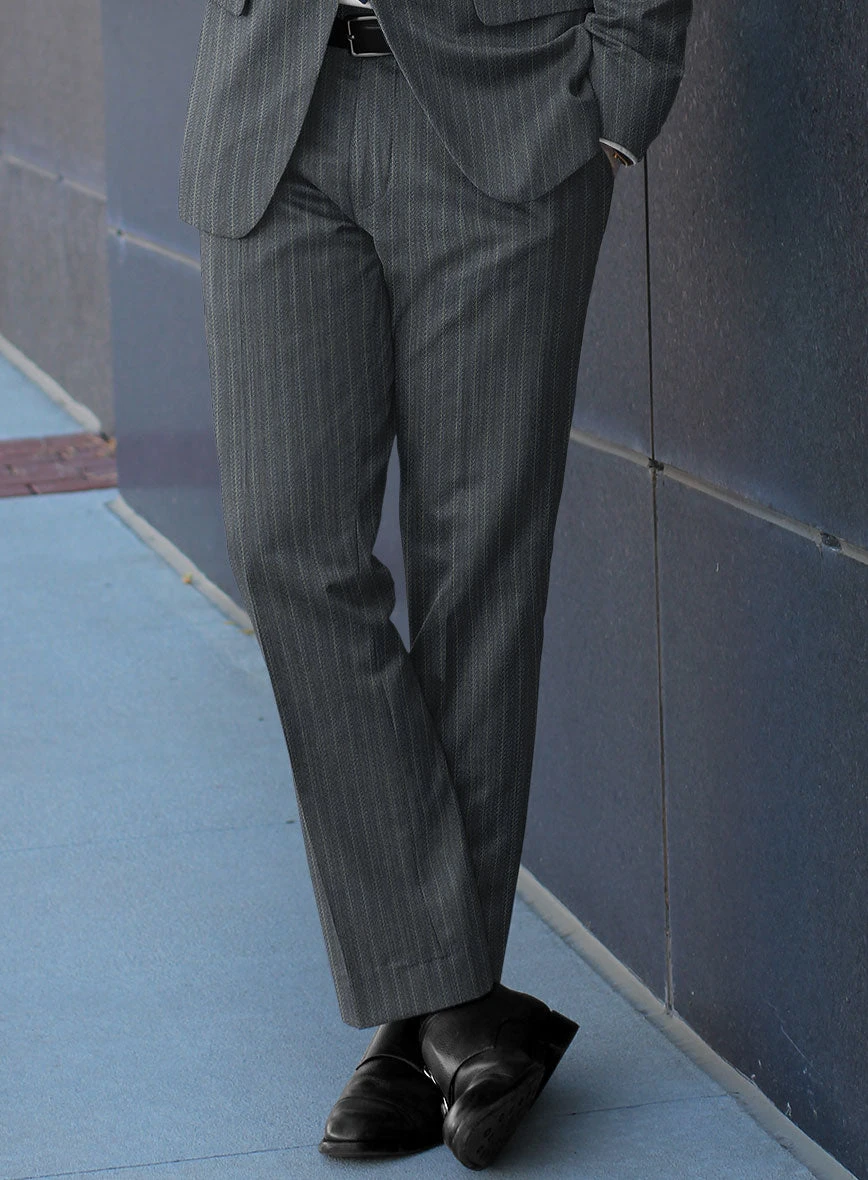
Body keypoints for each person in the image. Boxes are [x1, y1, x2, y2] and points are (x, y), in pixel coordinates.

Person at [178, 0, 691, 1168]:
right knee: (286, 543)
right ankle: (455, 1004)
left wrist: (623, 84)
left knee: (478, 565)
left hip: (509, 103)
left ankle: (421, 1027)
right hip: (273, 99)